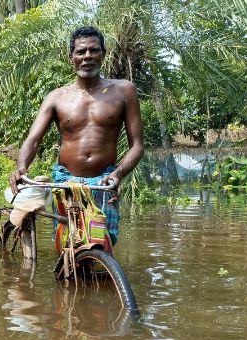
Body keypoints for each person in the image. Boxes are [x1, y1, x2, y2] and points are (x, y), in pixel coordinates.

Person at [9, 26, 145, 245]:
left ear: (104, 54)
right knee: (68, 246)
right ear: (71, 57)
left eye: (94, 50)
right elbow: (33, 140)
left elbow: (137, 145)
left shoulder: (124, 90)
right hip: (65, 181)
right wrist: (21, 168)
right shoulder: (56, 97)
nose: (87, 56)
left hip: (104, 181)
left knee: (103, 245)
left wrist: (118, 174)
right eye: (81, 52)